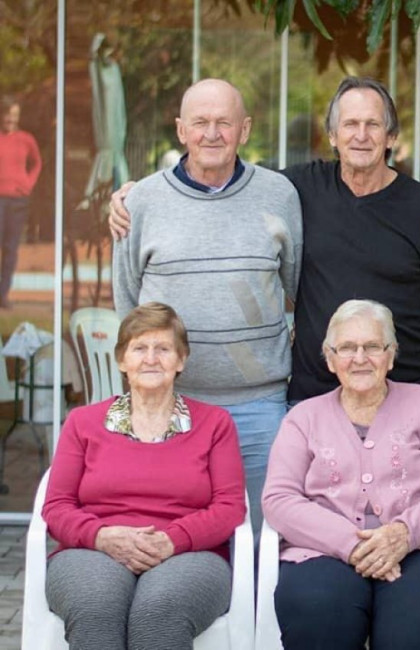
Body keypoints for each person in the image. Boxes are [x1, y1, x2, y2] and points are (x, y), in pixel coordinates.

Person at [109, 77, 420, 406]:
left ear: (391, 136)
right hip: (317, 396)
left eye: (373, 125)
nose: (361, 136)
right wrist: (132, 196)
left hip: (403, 392)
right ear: (333, 136)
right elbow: (224, 179)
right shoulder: (293, 189)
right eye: (350, 125)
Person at [112, 78, 302, 533]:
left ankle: (256, 610)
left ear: (245, 129)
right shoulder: (141, 202)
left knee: (264, 536)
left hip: (260, 406)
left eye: (224, 122)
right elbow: (128, 308)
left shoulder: (279, 195)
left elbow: (297, 286)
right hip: (170, 404)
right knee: (176, 534)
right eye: (200, 122)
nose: (212, 134)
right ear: (181, 129)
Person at [262, 299, 420, 650]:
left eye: (372, 346)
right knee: (318, 618)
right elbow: (279, 499)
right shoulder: (303, 417)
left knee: (416, 631)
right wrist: (351, 544)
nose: (359, 357)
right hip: (323, 552)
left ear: (391, 355)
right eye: (346, 348)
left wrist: (402, 534)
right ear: (330, 359)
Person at [41, 302, 247, 649]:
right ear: (122, 359)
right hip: (93, 550)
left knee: (158, 612)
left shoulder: (215, 424)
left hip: (190, 554)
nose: (151, 358)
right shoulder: (82, 422)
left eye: (163, 348)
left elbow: (229, 507)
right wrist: (102, 536)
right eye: (140, 348)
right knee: (96, 606)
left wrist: (172, 540)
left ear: (181, 360)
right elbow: (57, 506)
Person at [0, 95, 42, 309]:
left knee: (11, 248)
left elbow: (37, 163)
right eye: (8, 115)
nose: (11, 119)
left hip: (18, 201)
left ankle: (3, 295)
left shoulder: (26, 139)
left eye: (15, 115)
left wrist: (28, 184)